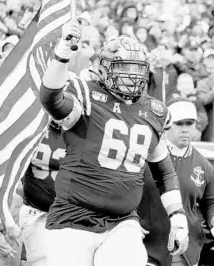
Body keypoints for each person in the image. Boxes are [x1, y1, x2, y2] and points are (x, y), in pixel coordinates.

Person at [39, 19, 189, 266]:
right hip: (73, 217)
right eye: (123, 67)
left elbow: (165, 173)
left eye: (137, 68)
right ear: (103, 68)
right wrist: (63, 52)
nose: (131, 75)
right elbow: (50, 99)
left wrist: (178, 217)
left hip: (122, 221)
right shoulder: (86, 94)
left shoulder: (154, 111)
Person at [164, 98, 214, 266]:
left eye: (190, 123)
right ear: (166, 123)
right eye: (179, 123)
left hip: (186, 247)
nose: (185, 129)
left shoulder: (203, 165)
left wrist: (213, 219)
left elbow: (211, 200)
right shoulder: (150, 156)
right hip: (149, 243)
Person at [18, 122, 65, 266]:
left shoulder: (79, 132)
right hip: (36, 211)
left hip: (69, 213)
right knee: (40, 262)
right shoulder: (32, 130)